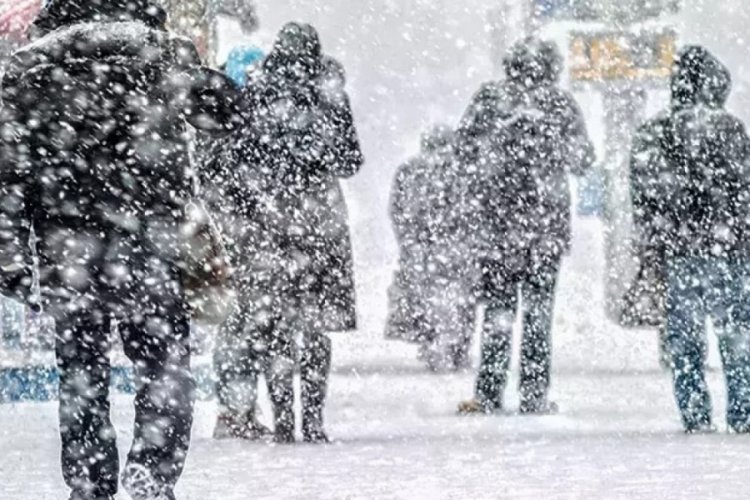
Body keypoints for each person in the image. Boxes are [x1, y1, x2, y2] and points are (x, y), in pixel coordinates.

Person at [0, 1, 238, 499]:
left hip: (67, 250)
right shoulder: (163, 60)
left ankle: (90, 483)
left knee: (81, 370)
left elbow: (10, 177)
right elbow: (223, 115)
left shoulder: (28, 75)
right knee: (163, 365)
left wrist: (13, 259)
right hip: (152, 243)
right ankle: (152, 473)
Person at [208, 22, 363, 444]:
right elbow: (350, 161)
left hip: (266, 226)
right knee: (314, 325)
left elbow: (228, 161)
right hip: (320, 223)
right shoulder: (328, 96)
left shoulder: (254, 92)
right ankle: (312, 421)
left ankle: (282, 421)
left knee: (273, 323)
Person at [458, 38, 595, 415]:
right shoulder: (561, 104)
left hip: (497, 226)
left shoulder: (490, 99)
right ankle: (534, 395)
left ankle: (487, 393)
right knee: (538, 313)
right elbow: (583, 159)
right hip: (546, 228)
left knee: (498, 313)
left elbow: (463, 152)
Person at [630, 46, 750, 434]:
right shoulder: (730, 129)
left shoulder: (655, 130)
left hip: (678, 251)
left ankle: (695, 414)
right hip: (728, 249)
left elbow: (643, 196)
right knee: (737, 337)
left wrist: (653, 243)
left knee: (684, 341)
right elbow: (744, 190)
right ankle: (744, 412)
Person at [386, 126, 478, 371]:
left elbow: (397, 209)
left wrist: (408, 240)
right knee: (461, 298)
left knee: (425, 296)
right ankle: (457, 346)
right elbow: (472, 209)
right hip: (455, 244)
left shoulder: (410, 170)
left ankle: (432, 339)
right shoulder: (464, 171)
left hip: (423, 245)